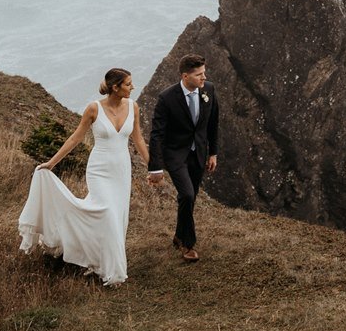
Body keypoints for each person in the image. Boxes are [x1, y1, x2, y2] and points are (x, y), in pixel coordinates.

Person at [17, 67, 147, 285]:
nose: (132, 87)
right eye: (128, 84)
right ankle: (113, 272)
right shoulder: (94, 109)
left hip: (121, 171)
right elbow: (75, 138)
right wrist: (51, 163)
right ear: (115, 88)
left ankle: (96, 258)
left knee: (118, 216)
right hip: (99, 170)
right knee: (106, 213)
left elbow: (139, 139)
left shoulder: (133, 107)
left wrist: (153, 167)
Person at [147, 54, 219, 262]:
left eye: (204, 73)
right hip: (176, 154)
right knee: (187, 195)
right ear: (185, 76)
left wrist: (213, 152)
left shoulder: (209, 90)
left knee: (190, 196)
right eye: (199, 75)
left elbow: (213, 123)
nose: (204, 78)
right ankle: (188, 245)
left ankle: (179, 236)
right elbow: (157, 134)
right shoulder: (167, 98)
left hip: (199, 153)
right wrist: (155, 167)